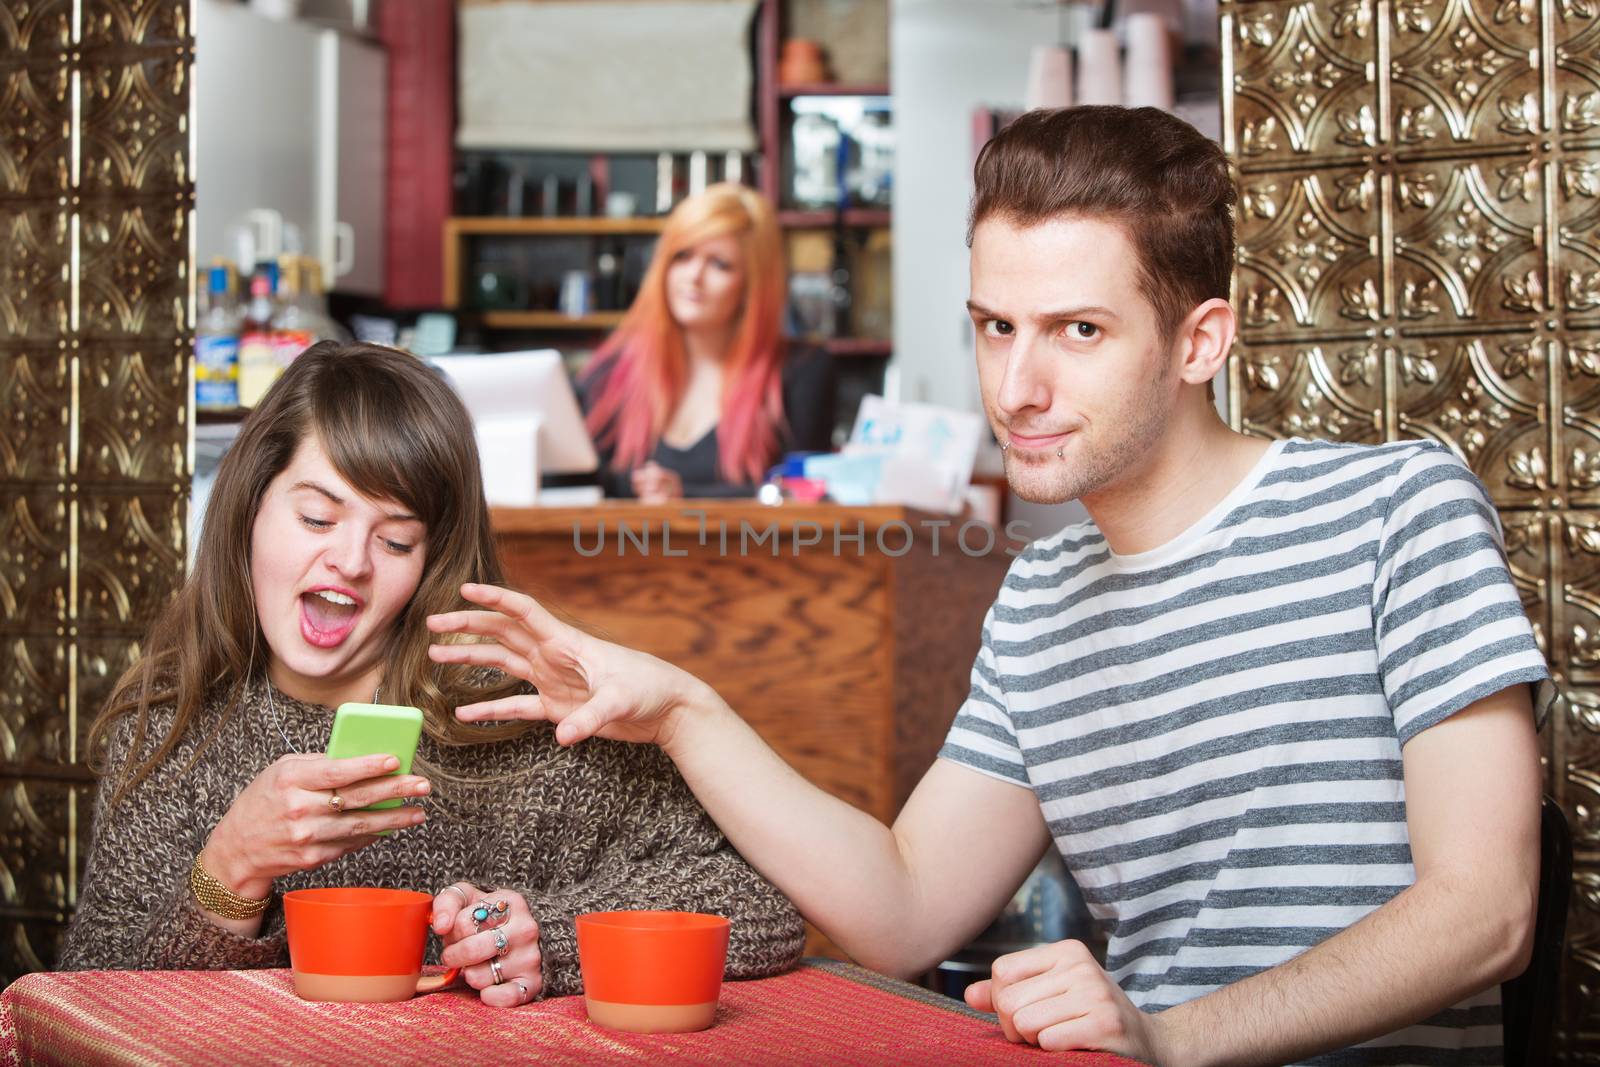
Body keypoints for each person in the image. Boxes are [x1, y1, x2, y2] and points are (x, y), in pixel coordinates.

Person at [426, 106, 1548, 1062]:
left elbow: (1483, 914)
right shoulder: (1043, 591)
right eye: (995, 327)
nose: (1019, 385)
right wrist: (683, 709)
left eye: (1079, 331)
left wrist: (1170, 1036)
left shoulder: (1397, 507)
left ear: (1199, 340)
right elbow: (904, 909)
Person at [57, 341, 804, 1003]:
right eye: (318, 518)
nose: (349, 560)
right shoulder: (169, 729)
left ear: (431, 564)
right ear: (249, 508)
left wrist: (549, 933)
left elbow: (759, 902)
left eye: (396, 539)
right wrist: (232, 868)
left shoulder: (513, 723)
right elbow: (82, 1010)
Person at [579, 182, 833, 501]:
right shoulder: (609, 376)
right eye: (682, 256)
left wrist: (685, 496)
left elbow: (806, 497)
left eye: (719, 264)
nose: (693, 276)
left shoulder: (801, 373)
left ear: (752, 285)